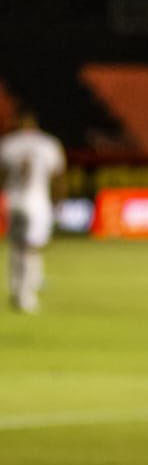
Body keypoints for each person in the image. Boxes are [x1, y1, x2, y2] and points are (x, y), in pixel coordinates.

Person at [0, 110, 66, 313]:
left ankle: (17, 287)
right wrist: (58, 202)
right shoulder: (48, 143)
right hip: (37, 202)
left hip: (12, 200)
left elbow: (2, 174)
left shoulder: (8, 143)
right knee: (31, 247)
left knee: (17, 246)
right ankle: (26, 295)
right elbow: (57, 176)